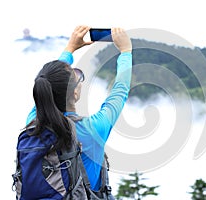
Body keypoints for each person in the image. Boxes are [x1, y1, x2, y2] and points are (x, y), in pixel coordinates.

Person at [25, 25, 132, 198]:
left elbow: (46, 82)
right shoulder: (93, 129)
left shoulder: (33, 123)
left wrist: (70, 49)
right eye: (77, 76)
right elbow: (120, 90)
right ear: (75, 92)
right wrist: (126, 51)